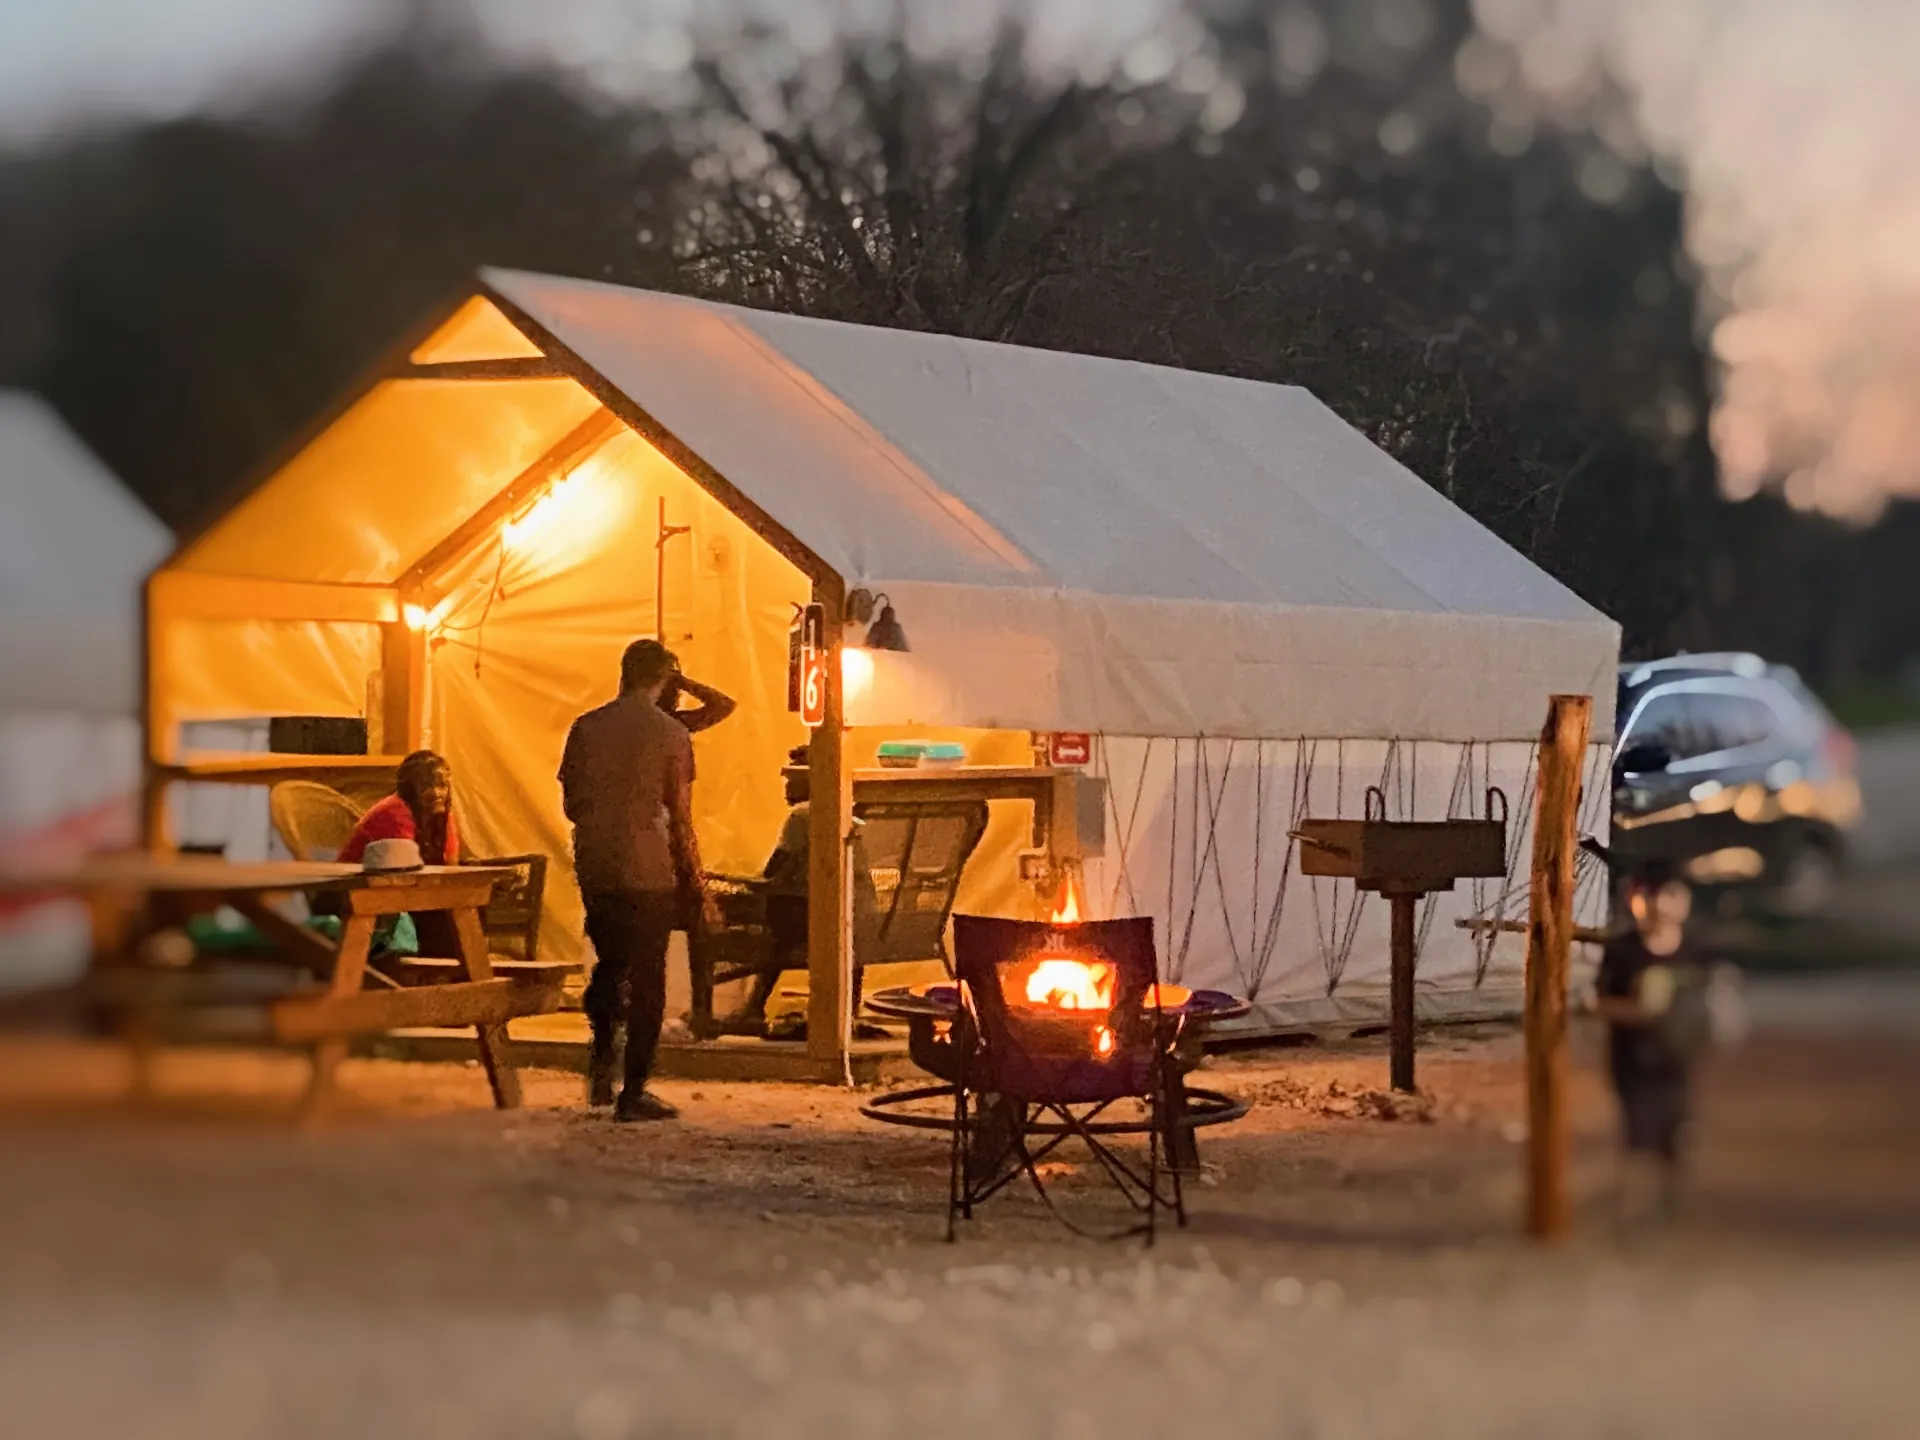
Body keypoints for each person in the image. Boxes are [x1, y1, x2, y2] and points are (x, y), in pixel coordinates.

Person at [560, 638, 709, 1122]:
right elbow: (681, 817)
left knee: (608, 964)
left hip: (596, 863)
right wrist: (698, 885)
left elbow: (572, 804)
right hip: (647, 865)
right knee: (648, 979)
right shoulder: (670, 734)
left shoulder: (585, 727)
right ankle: (635, 1091)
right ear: (663, 678)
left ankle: (601, 1060)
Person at [1592, 859, 1717, 1227]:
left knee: (1677, 1138)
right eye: (1656, 894)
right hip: (1632, 1061)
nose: (1665, 903)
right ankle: (1633, 1215)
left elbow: (1708, 1001)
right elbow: (1598, 1002)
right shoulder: (1625, 951)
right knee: (1637, 1141)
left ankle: (1671, 1208)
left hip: (1676, 1060)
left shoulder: (1695, 948)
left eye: (1675, 895)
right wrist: (1637, 1009)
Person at [332, 749, 462, 958]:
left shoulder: (440, 814)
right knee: (441, 917)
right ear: (411, 789)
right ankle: (436, 976)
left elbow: (450, 865)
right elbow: (403, 874)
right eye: (427, 785)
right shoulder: (394, 812)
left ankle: (450, 976)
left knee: (463, 908)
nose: (437, 792)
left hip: (402, 892)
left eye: (442, 785)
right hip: (354, 893)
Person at [658, 663, 736, 735]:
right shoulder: (669, 725)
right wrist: (681, 681)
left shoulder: (669, 724)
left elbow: (724, 706)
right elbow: (724, 706)